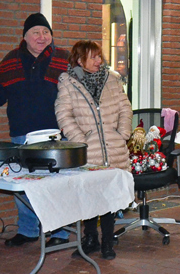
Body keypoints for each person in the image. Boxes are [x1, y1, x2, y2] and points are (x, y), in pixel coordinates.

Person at [0, 13, 70, 247]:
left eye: (46, 32)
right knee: (23, 183)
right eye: (36, 32)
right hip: (22, 133)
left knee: (55, 184)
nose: (41, 37)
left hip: (56, 134)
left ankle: (60, 232)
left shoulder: (65, 59)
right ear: (25, 37)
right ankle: (28, 229)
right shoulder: (10, 60)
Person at [55, 40, 132, 260]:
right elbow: (63, 114)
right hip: (88, 150)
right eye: (94, 57)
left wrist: (123, 133)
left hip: (113, 147)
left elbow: (125, 107)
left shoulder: (113, 79)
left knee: (109, 197)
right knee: (88, 197)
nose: (100, 61)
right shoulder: (68, 82)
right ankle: (90, 239)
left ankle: (108, 242)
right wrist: (81, 141)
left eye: (100, 56)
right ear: (80, 60)